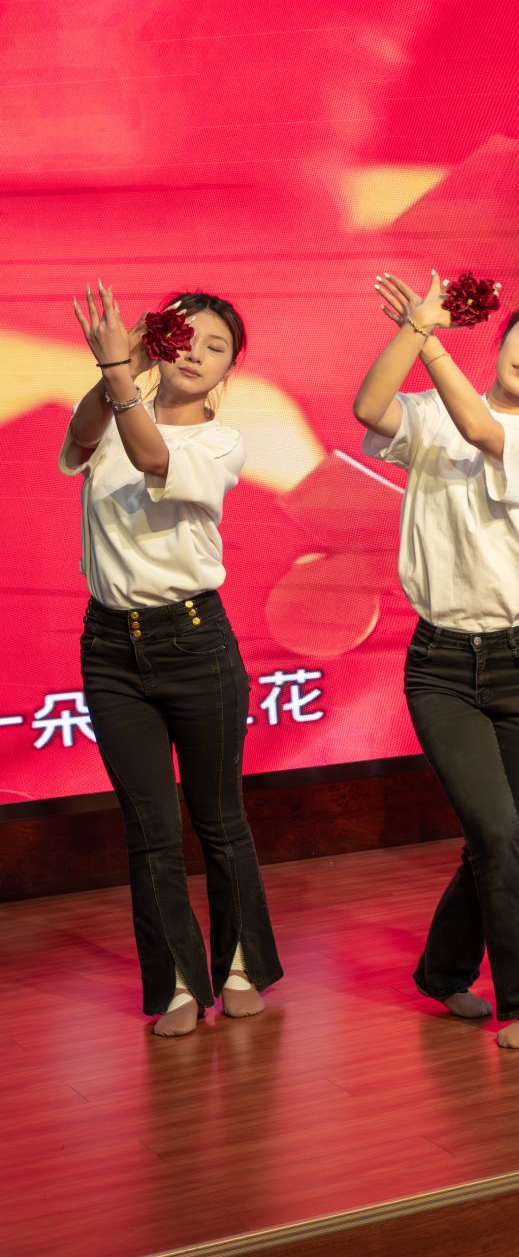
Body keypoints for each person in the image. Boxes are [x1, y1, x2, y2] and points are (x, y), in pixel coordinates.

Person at [356, 270, 519, 1049]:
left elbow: (485, 433)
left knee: (498, 839)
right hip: (441, 665)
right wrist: (415, 329)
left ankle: (443, 970)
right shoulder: (429, 414)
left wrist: (431, 345)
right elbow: (369, 408)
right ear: (503, 337)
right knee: (494, 833)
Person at [64, 284, 282, 1037]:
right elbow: (83, 437)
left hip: (195, 643)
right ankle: (180, 983)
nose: (196, 352)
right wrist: (116, 367)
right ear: (158, 342)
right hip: (109, 648)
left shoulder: (221, 442)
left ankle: (241, 966)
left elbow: (151, 454)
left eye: (216, 346)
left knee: (219, 819)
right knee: (149, 828)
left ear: (229, 369)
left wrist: (120, 373)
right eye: (183, 336)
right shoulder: (114, 404)